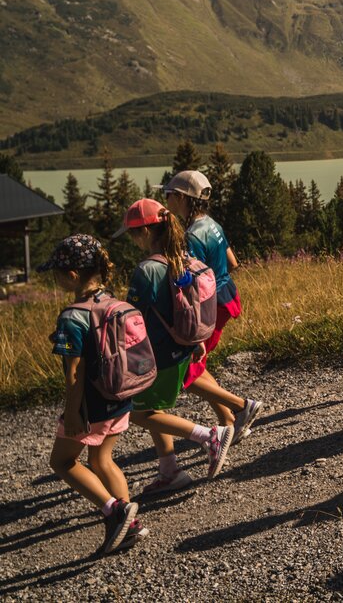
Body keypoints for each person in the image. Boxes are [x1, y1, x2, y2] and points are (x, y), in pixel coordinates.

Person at [117, 199, 233, 496]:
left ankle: (209, 436)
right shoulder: (183, 259)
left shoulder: (146, 270)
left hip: (157, 354)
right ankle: (169, 471)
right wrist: (196, 342)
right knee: (155, 408)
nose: (132, 240)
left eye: (132, 234)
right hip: (183, 347)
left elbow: (132, 318)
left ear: (145, 231)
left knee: (138, 413)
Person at [42, 235, 147, 556]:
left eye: (57, 273)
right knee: (102, 460)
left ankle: (114, 510)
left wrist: (72, 413)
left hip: (91, 406)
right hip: (121, 396)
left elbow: (74, 374)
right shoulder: (111, 302)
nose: (55, 278)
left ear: (73, 275)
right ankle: (129, 526)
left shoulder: (72, 317)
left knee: (62, 461)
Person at [160, 170, 265, 441]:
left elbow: (192, 282)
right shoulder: (211, 224)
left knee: (187, 371)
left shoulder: (191, 236)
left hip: (209, 306)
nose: (165, 200)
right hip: (226, 296)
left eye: (167, 194)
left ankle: (241, 406)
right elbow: (232, 262)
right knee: (197, 366)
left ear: (181, 197)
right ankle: (229, 421)